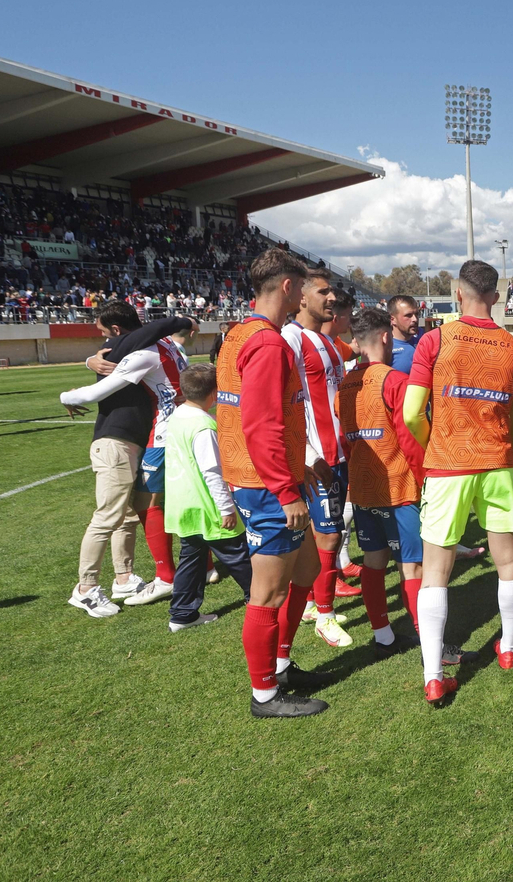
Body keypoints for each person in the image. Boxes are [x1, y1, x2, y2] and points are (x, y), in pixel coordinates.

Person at [404, 259, 513, 701]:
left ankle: (433, 675)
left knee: (435, 572)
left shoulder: (434, 340)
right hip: (498, 463)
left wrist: (433, 442)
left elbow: (409, 413)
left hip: (448, 466)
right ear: (495, 298)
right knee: (509, 560)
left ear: (458, 293)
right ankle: (510, 648)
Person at [218, 248, 330, 719]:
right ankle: (265, 694)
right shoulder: (265, 343)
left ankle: (281, 665)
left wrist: (298, 469)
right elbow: (260, 424)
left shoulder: (239, 334)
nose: (306, 294)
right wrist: (285, 491)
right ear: (288, 287)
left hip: (270, 476)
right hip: (265, 486)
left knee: (306, 571)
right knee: (267, 593)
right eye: (303, 286)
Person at [59, 304, 196, 616]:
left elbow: (102, 374)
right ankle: (86, 588)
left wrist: (89, 363)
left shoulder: (142, 350)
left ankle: (123, 578)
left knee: (128, 514)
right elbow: (96, 387)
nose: (105, 344)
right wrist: (75, 383)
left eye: (106, 336)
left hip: (135, 440)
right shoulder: (156, 347)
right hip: (115, 442)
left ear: (118, 332)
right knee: (109, 515)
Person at [338, 307, 426, 657]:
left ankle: (384, 636)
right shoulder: (395, 381)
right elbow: (409, 437)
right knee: (412, 564)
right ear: (386, 336)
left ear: (357, 342)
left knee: (373, 560)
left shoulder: (343, 386)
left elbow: (346, 437)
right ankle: (427, 640)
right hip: (399, 487)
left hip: (362, 488)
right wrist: (425, 479)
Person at [281, 269, 353, 648]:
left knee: (326, 534)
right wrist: (309, 455)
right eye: (323, 292)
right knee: (327, 537)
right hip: (317, 458)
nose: (331, 298)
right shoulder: (291, 339)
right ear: (302, 297)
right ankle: (324, 615)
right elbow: (284, 403)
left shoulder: (322, 340)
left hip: (336, 452)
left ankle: (313, 604)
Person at [161, 363, 251, 631]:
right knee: (239, 555)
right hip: (208, 506)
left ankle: (182, 614)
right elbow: (212, 470)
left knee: (192, 559)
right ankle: (262, 601)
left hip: (184, 503)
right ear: (215, 393)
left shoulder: (178, 415)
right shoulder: (204, 426)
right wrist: (226, 508)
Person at [387, 294, 421, 374]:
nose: (415, 319)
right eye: (408, 315)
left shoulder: (423, 343)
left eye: (416, 314)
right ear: (393, 320)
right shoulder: (386, 348)